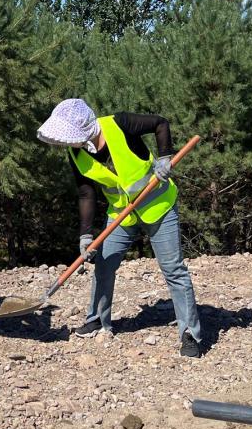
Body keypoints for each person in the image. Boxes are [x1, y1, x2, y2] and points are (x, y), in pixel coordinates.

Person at [37, 98, 203, 358]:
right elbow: (85, 193)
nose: (65, 142)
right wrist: (85, 235)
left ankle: (189, 333)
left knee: (173, 269)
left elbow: (160, 123)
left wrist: (164, 158)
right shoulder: (76, 152)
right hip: (121, 214)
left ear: (82, 127)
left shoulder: (119, 124)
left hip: (158, 205)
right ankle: (96, 319)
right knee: (103, 263)